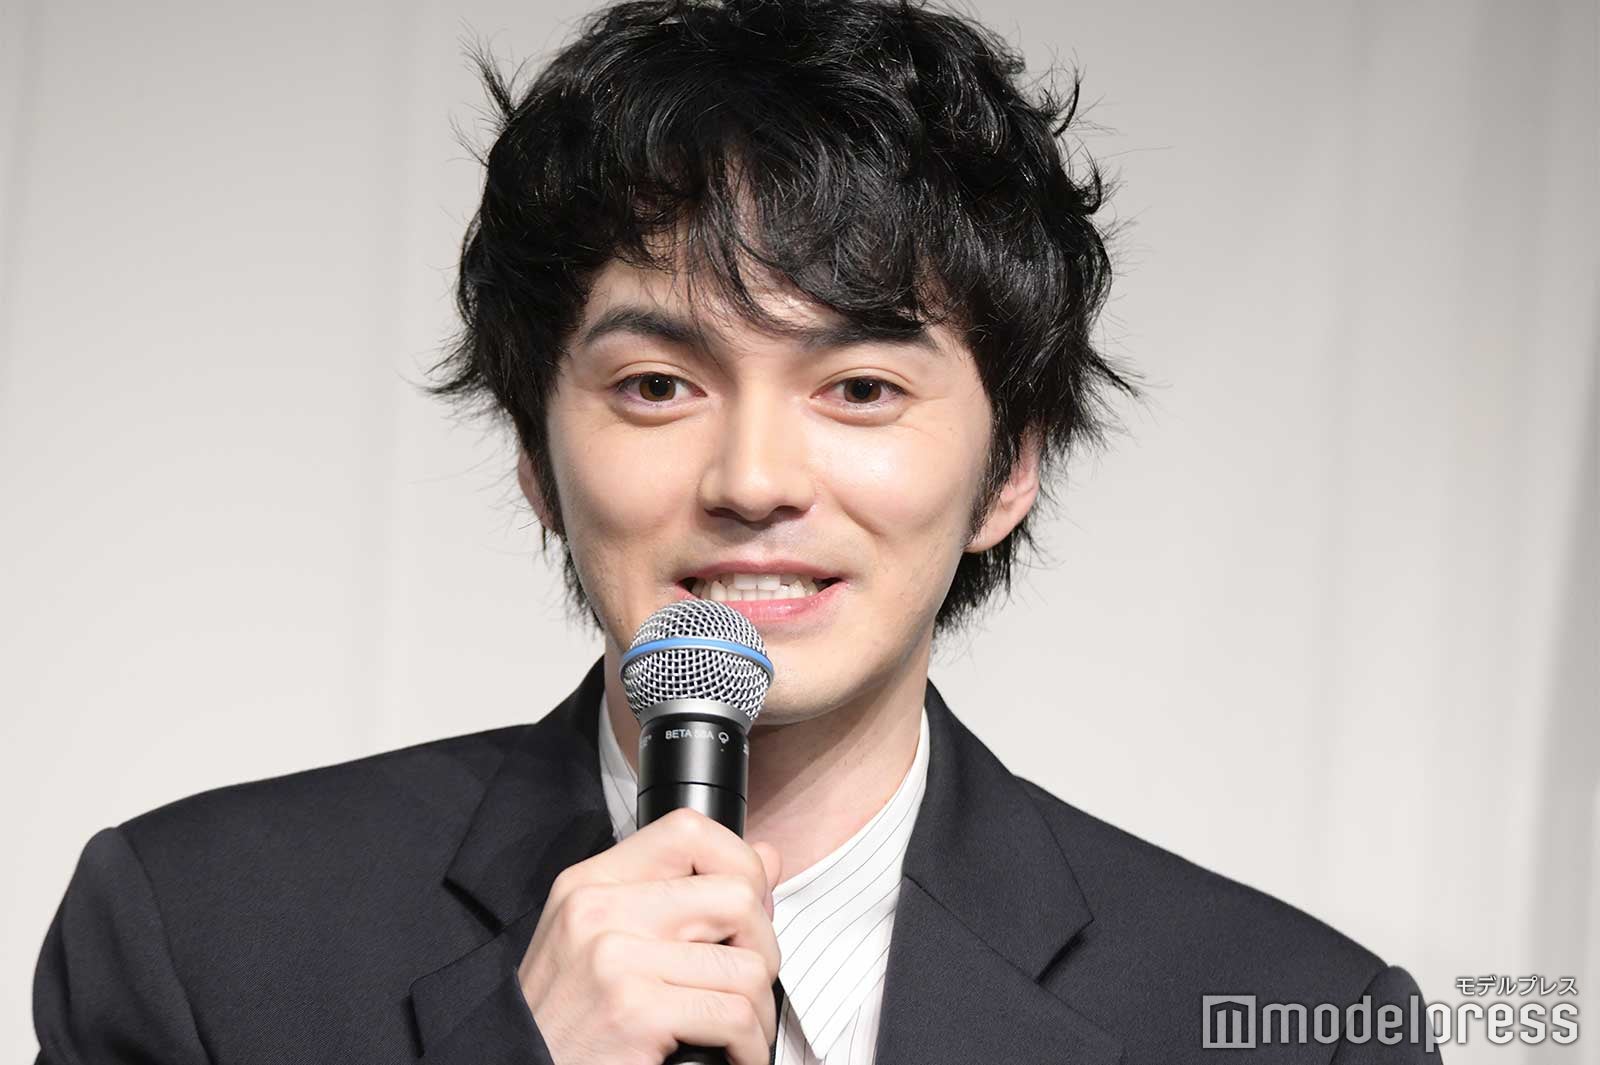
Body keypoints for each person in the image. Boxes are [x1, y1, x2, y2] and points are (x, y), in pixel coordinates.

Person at [32, 0, 1441, 1062]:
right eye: (658, 385)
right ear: (534, 455)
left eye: (861, 387)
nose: (754, 478)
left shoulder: (1286, 1020)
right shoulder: (199, 935)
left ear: (1010, 468)